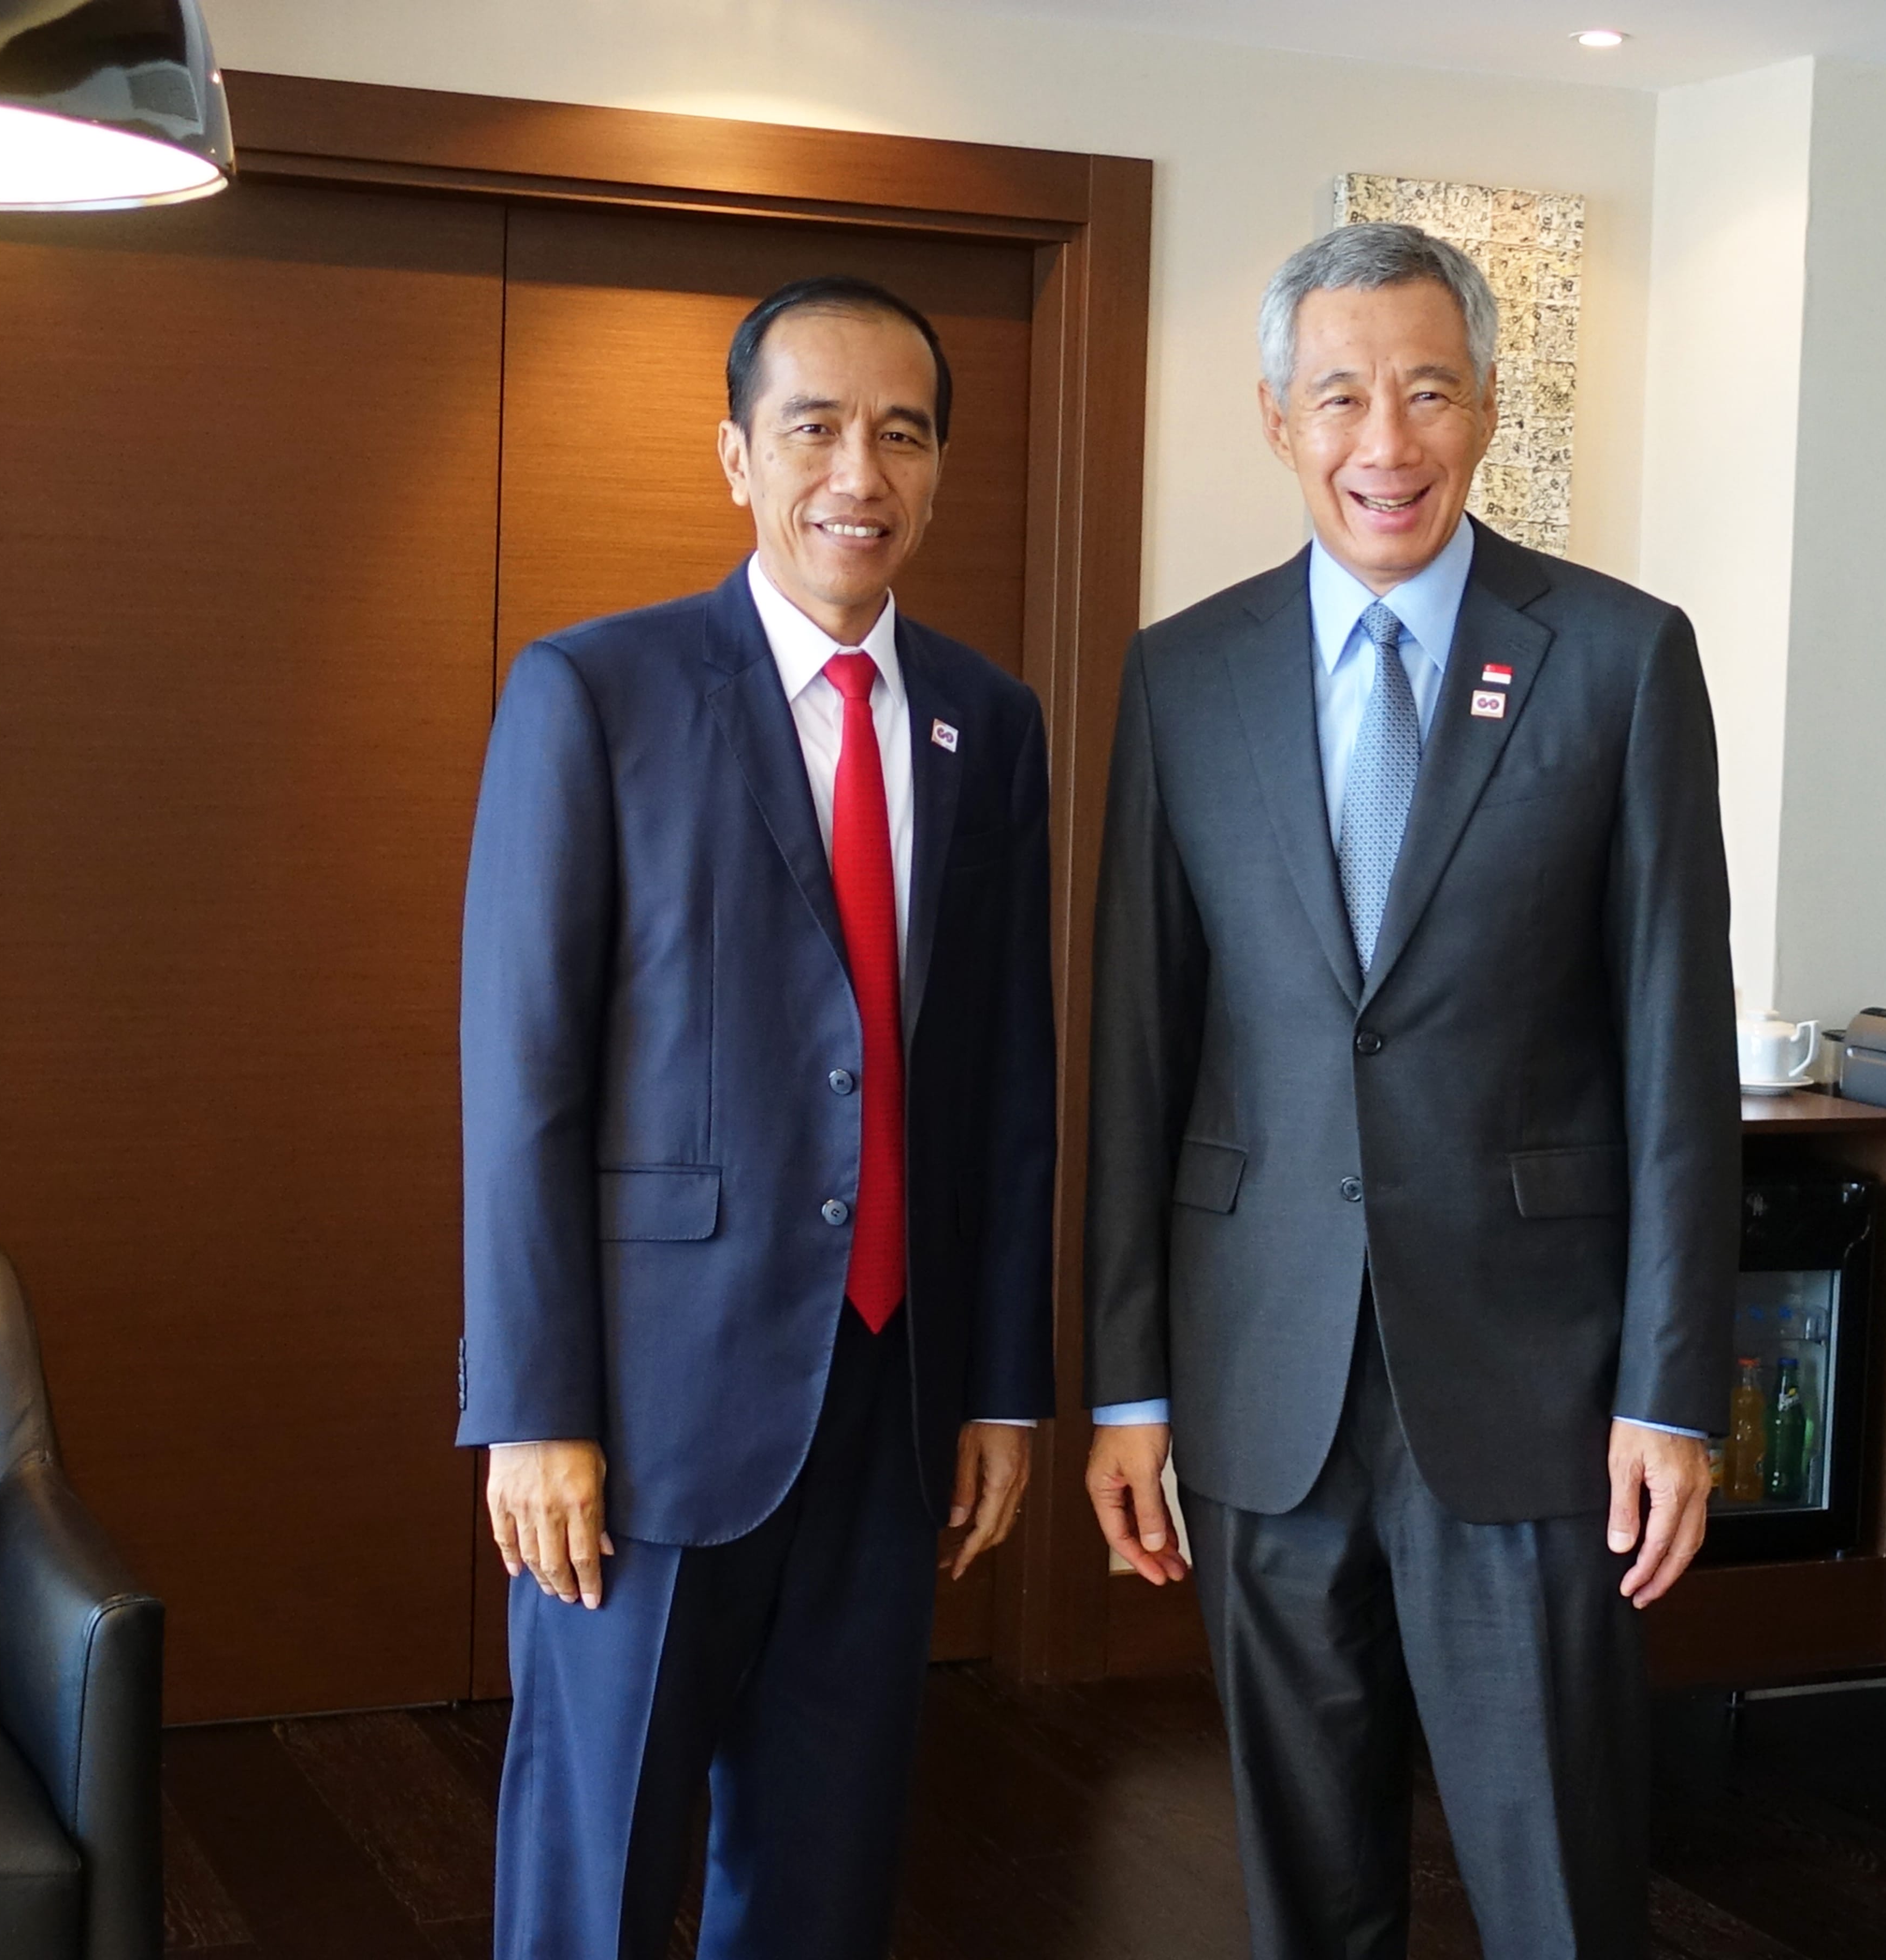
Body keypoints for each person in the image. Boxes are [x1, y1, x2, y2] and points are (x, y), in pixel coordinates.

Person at [1083, 222, 1738, 1958]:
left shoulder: (1619, 658)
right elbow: (1142, 1046)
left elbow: (1676, 1052)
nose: (1388, 441)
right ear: (1277, 418)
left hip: (1537, 1384)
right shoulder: (1184, 673)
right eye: (1342, 397)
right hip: (1261, 1372)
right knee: (1307, 1888)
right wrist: (1128, 1386)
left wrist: (1673, 1393)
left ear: (1490, 405)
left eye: (1430, 391)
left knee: (1558, 1885)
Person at [458, 275, 1057, 1959]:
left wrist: (1002, 1384)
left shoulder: (990, 722)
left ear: (937, 470)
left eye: (902, 434)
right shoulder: (597, 692)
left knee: (823, 1872)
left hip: (890, 1402)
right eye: (815, 428)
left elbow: (1007, 1087)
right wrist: (532, 1407)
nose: (860, 473)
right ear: (737, 457)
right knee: (596, 1871)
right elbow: (522, 1079)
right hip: (645, 1413)